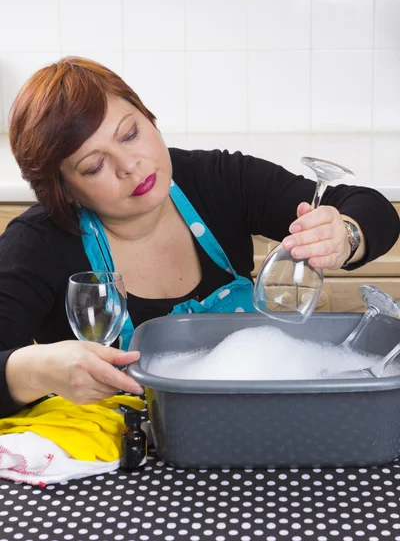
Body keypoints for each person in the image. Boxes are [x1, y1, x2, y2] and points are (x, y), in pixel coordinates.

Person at [0, 57, 398, 419]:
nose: (130, 165)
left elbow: (369, 206)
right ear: (62, 189)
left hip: (265, 426)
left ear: (148, 116)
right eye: (94, 165)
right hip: (123, 467)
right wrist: (31, 371)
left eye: (130, 134)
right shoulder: (36, 244)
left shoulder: (218, 179)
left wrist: (344, 233)